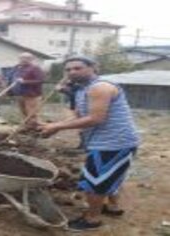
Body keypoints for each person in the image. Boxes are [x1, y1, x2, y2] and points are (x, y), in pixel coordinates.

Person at [38, 56, 140, 232]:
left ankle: (92, 220)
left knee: (95, 182)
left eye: (77, 68)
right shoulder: (82, 90)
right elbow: (79, 115)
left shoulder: (100, 87)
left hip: (113, 143)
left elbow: (96, 118)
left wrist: (57, 126)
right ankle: (113, 208)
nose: (72, 72)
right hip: (108, 142)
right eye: (68, 70)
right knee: (110, 176)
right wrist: (54, 126)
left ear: (94, 67)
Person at [7, 52, 45, 129]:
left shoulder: (35, 68)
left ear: (31, 59)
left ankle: (35, 128)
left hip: (31, 95)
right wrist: (9, 90)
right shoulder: (16, 67)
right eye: (22, 58)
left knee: (31, 113)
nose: (23, 60)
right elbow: (10, 78)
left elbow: (40, 80)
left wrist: (24, 81)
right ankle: (27, 126)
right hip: (20, 94)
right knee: (23, 112)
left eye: (27, 58)